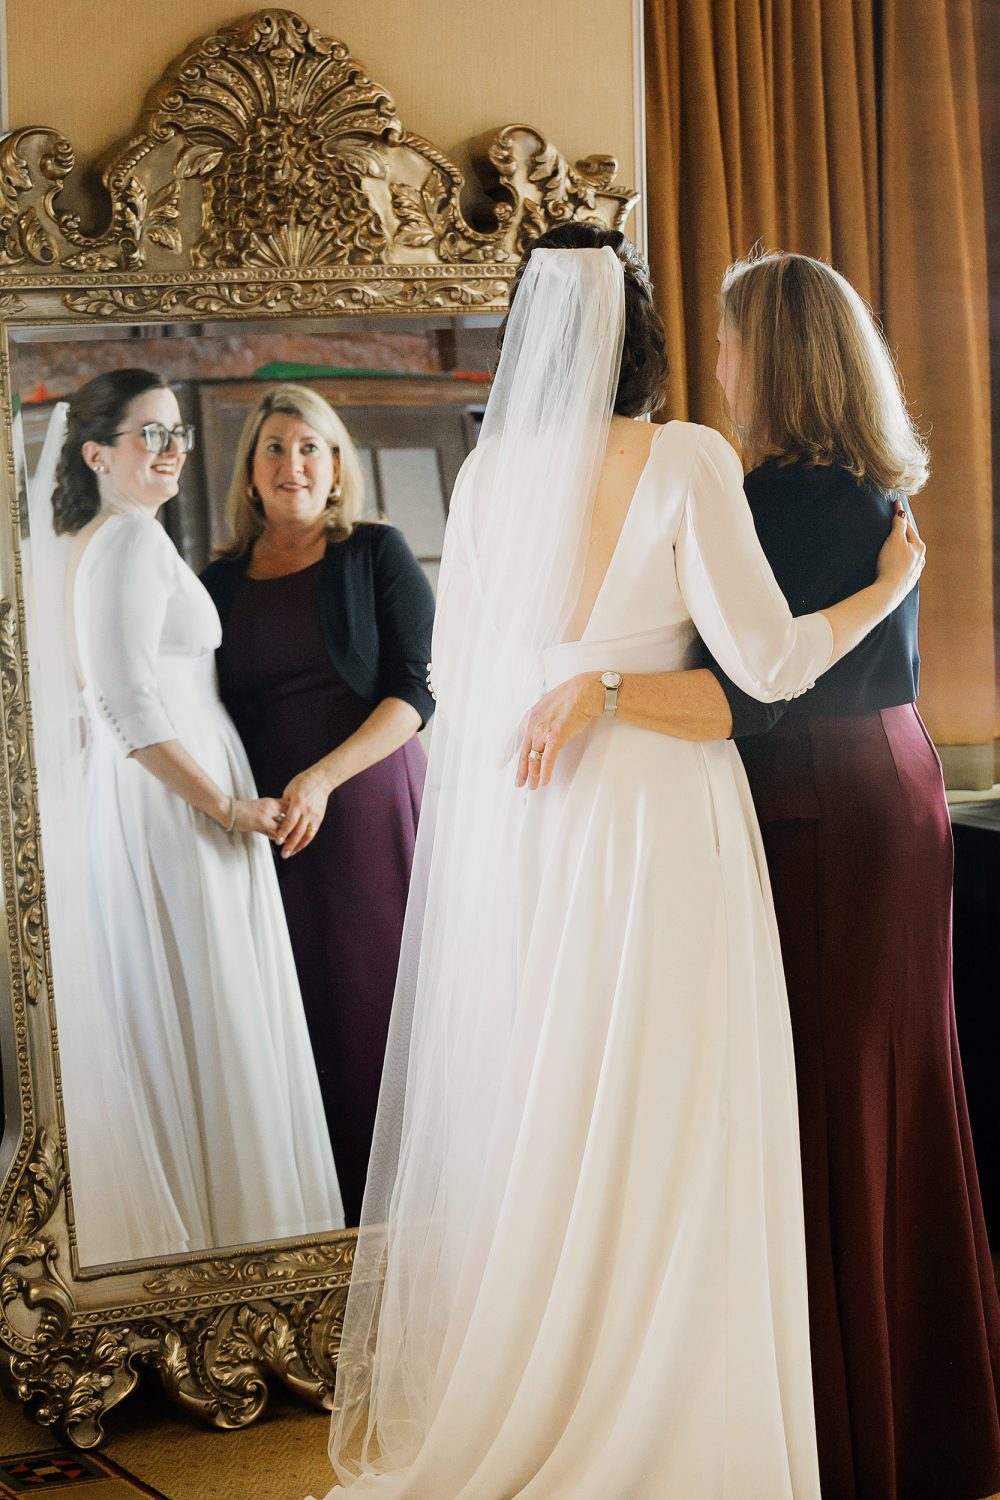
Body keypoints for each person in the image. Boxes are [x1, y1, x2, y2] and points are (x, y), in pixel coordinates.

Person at [315, 227, 924, 1499]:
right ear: (645, 335)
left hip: (540, 822)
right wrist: (882, 589)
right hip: (661, 822)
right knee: (679, 1101)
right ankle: (680, 1413)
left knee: (556, 1098)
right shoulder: (690, 457)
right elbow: (764, 669)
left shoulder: (483, 482)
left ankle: (550, 1384)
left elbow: (458, 692)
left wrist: (568, 688)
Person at [523, 250, 1000, 1500]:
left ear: (771, 358)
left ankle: (839, 1428)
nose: (718, 364)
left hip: (811, 810)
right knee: (894, 1093)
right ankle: (921, 1415)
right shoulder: (875, 488)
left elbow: (750, 697)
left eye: (731, 344)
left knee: (810, 1102)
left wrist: (608, 688)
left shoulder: (768, 496)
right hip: (897, 786)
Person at [27, 369, 343, 1266]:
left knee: (218, 1013)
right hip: (178, 807)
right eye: (149, 435)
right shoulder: (125, 541)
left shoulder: (133, 537)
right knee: (212, 1014)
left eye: (177, 433)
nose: (170, 449)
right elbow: (125, 707)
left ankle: (239, 1247)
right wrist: (228, 804)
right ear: (98, 455)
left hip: (182, 794)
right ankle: (235, 1251)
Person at [201, 386, 434, 1227]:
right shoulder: (216, 583)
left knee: (381, 1009)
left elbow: (417, 691)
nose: (291, 463)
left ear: (336, 468)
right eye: (273, 448)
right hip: (271, 834)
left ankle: (413, 1217)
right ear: (250, 474)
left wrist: (324, 778)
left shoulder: (377, 553)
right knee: (299, 1019)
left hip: (368, 809)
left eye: (310, 447)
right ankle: (322, 1223)